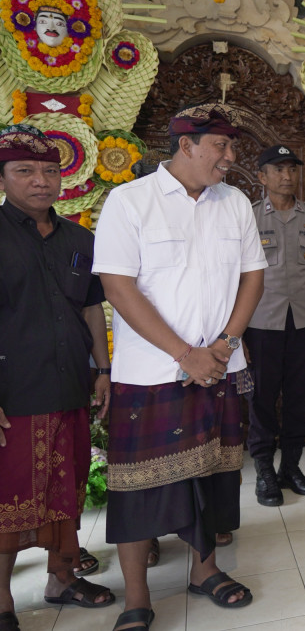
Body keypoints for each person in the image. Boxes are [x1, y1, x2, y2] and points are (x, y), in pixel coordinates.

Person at [94, 103, 267, 631]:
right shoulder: (130, 202)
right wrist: (184, 353)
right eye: (221, 146)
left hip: (220, 366)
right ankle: (137, 599)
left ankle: (205, 571)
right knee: (139, 487)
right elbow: (118, 288)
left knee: (216, 477)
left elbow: (252, 278)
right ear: (186, 146)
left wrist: (223, 343)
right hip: (151, 375)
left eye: (232, 147)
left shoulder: (234, 202)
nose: (230, 158)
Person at [0, 124, 116, 629]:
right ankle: (2, 600)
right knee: (10, 496)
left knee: (64, 489)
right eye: (24, 171)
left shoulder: (79, 239)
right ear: (3, 178)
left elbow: (92, 310)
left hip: (70, 386)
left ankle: (61, 578)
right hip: (14, 393)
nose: (40, 181)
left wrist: (104, 369)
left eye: (49, 170)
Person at [245, 144, 305, 507]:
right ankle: (265, 471)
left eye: (292, 169)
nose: (287, 176)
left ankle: (292, 467)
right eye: (278, 169)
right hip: (262, 323)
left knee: (300, 396)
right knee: (263, 397)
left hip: (303, 322)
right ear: (262, 176)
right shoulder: (249, 219)